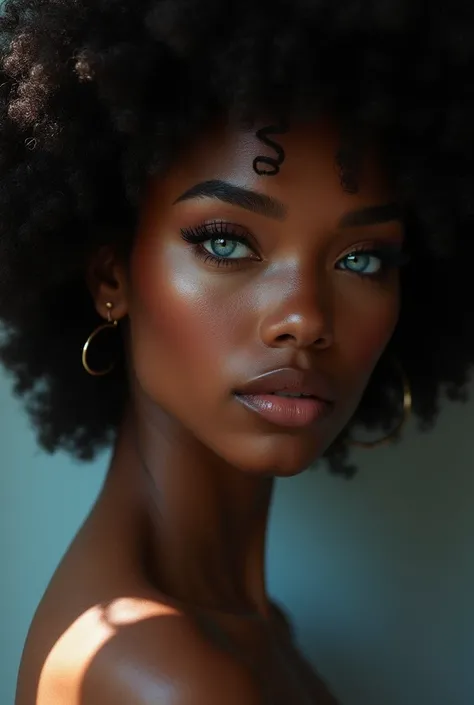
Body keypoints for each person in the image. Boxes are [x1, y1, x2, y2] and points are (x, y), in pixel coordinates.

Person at [2, 0, 474, 703]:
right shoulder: (167, 674)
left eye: (364, 259)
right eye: (226, 241)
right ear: (112, 277)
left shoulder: (245, 627)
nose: (306, 318)